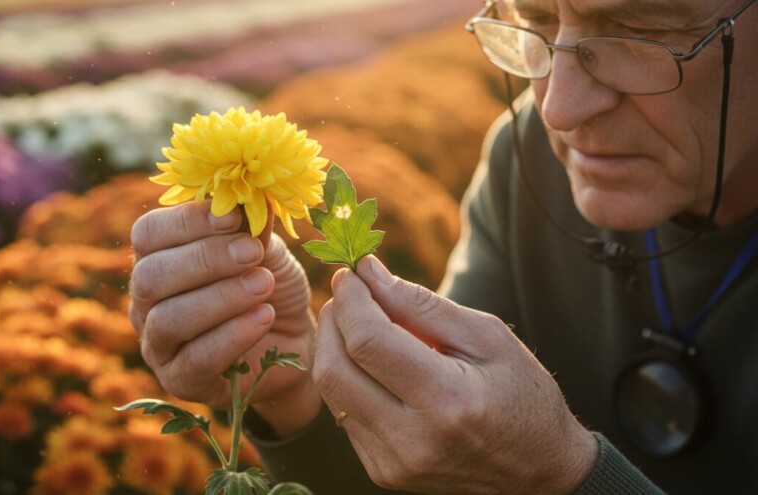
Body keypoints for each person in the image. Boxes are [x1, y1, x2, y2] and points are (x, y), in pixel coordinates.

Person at [128, 0, 758, 493]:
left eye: (635, 33)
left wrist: (563, 477)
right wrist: (296, 392)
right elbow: (436, 476)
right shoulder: (526, 164)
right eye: (534, 22)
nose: (560, 108)